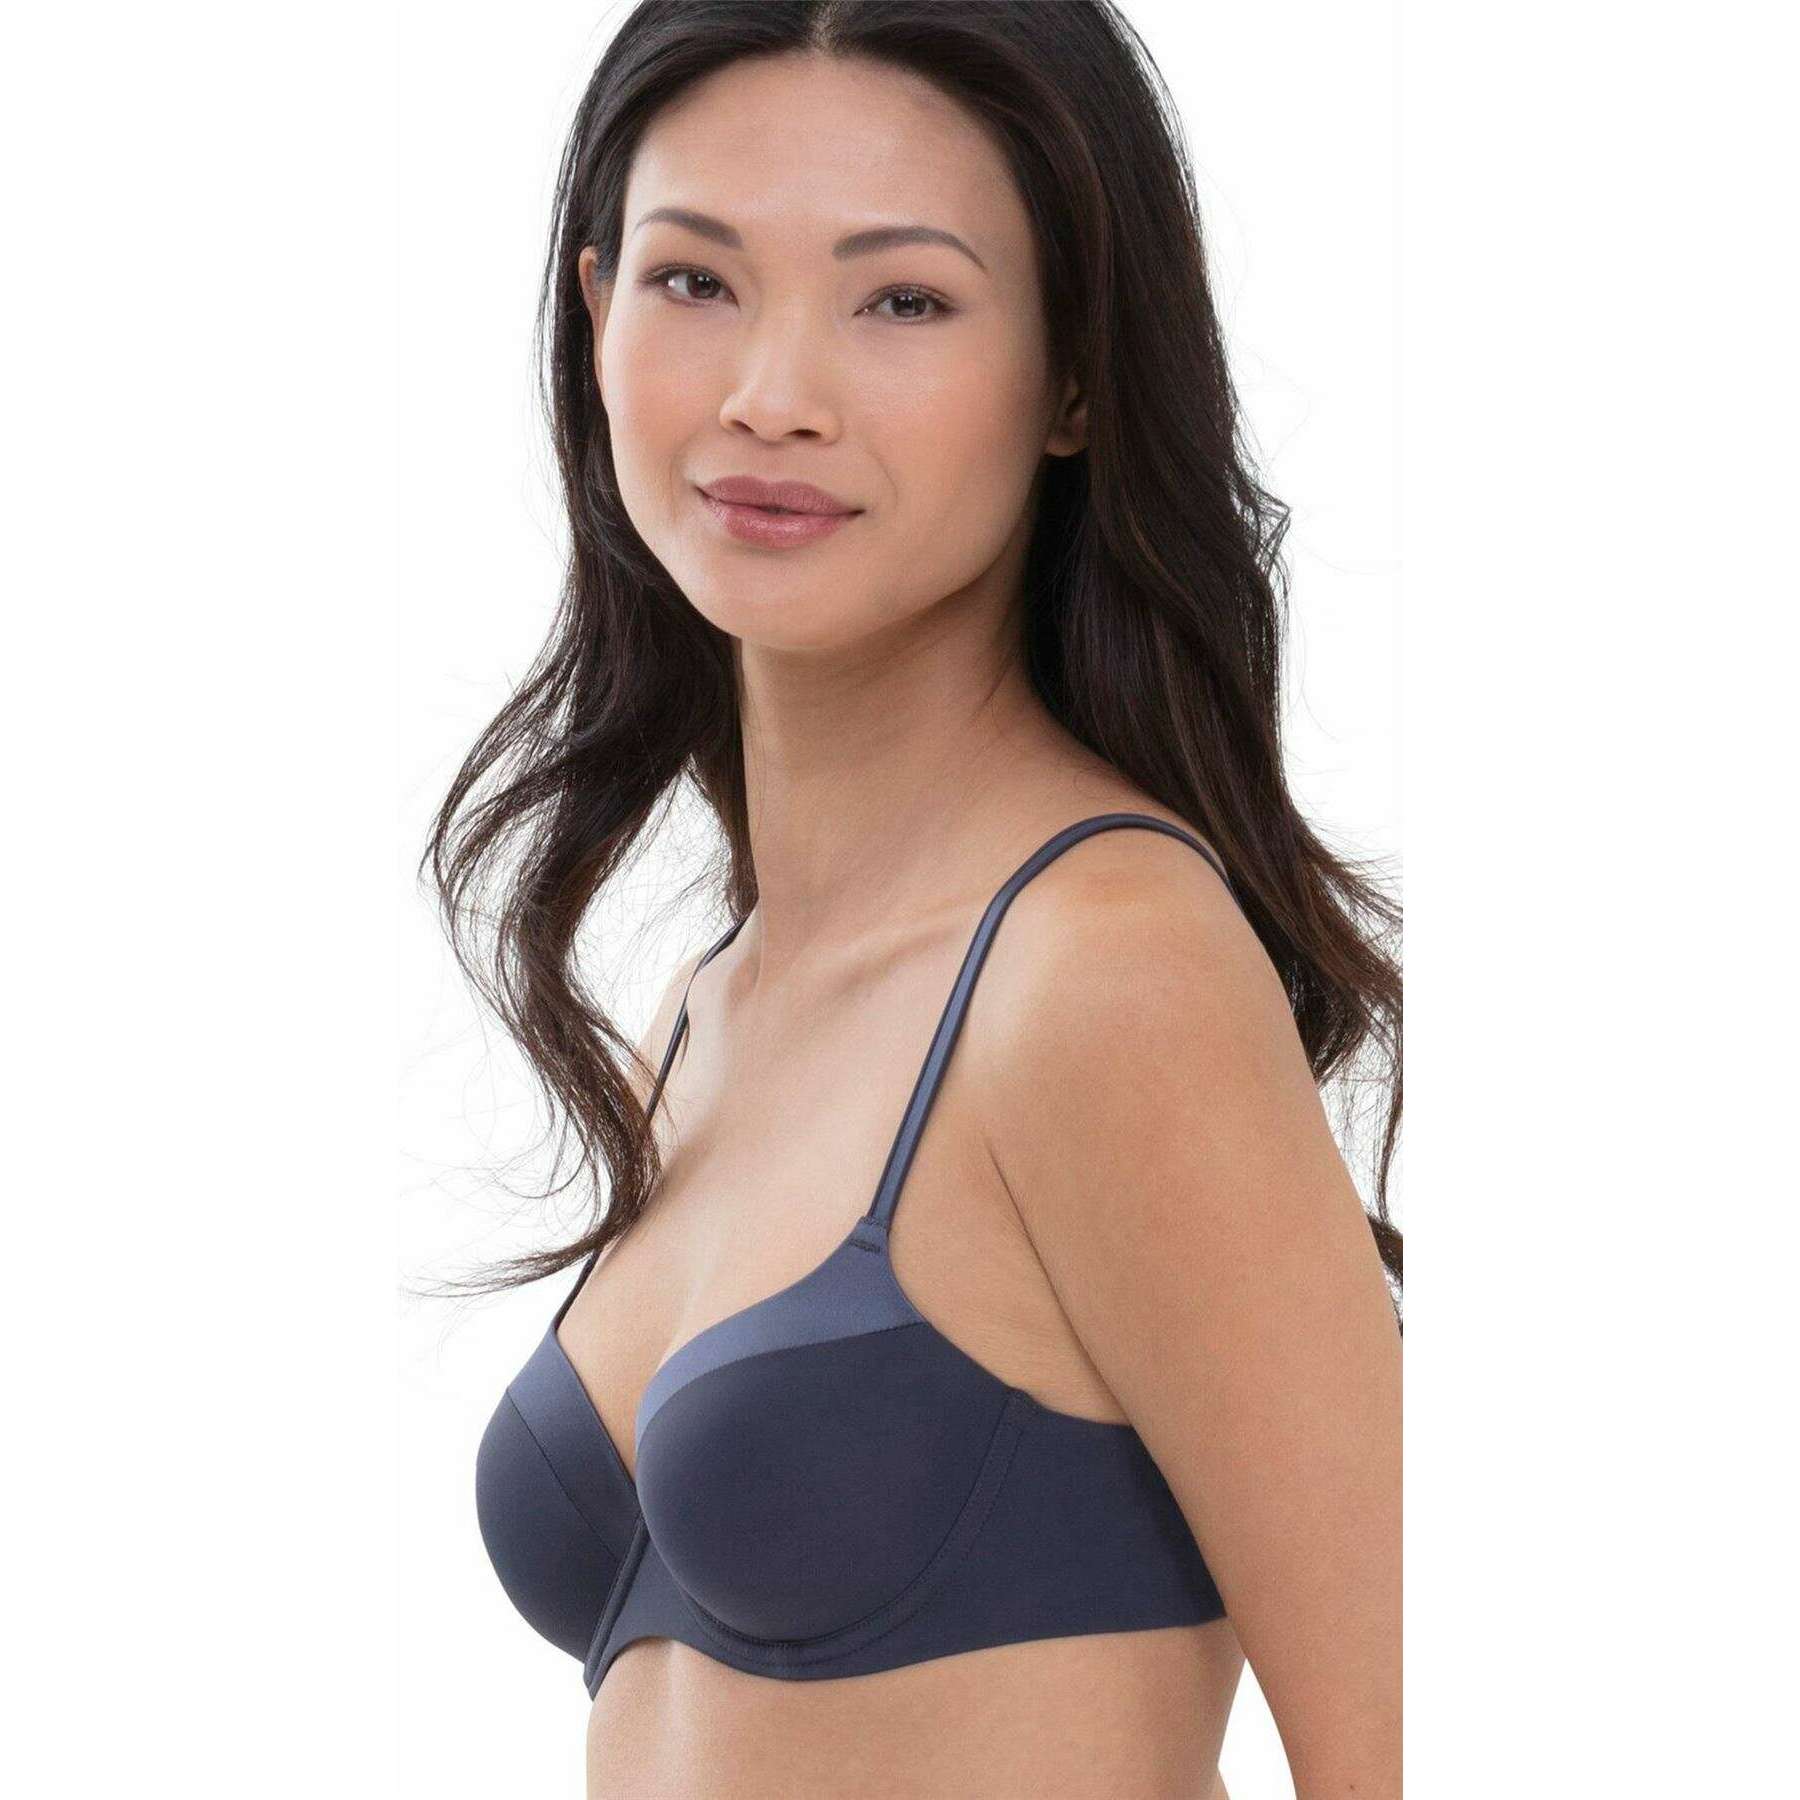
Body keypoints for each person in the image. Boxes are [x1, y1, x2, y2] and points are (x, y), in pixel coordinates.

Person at [432, 5, 1402, 1795]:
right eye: (695, 281)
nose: (771, 393)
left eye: (902, 301)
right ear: (594, 312)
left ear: (1077, 377)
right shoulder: (703, 1011)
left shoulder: (1107, 974)